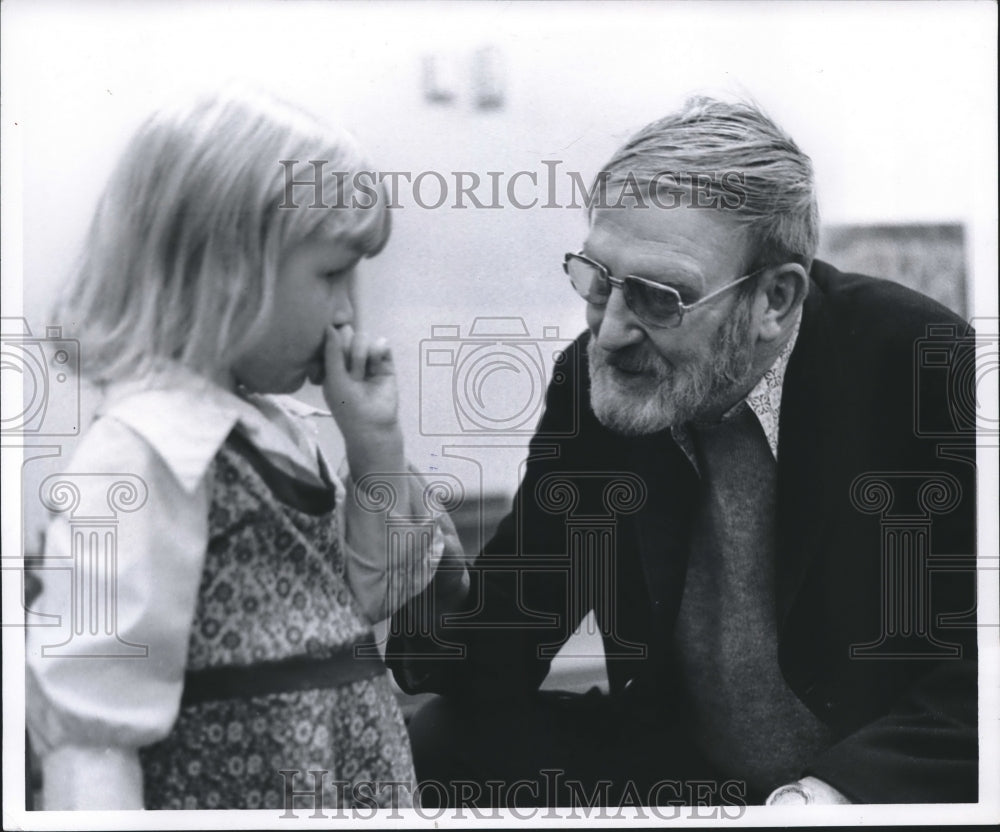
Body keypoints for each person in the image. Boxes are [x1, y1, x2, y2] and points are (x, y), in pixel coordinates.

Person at [387, 96, 978, 807]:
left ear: (774, 301)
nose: (608, 331)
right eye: (597, 280)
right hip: (688, 772)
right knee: (444, 743)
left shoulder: (921, 367)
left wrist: (830, 797)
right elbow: (508, 645)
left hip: (868, 785)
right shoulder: (601, 379)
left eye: (657, 297)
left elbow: (982, 678)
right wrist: (434, 580)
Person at [26, 91, 446, 810]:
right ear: (226, 269)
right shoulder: (144, 449)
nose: (349, 310)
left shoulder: (276, 425)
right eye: (330, 274)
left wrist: (374, 444)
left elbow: (368, 595)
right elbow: (92, 719)